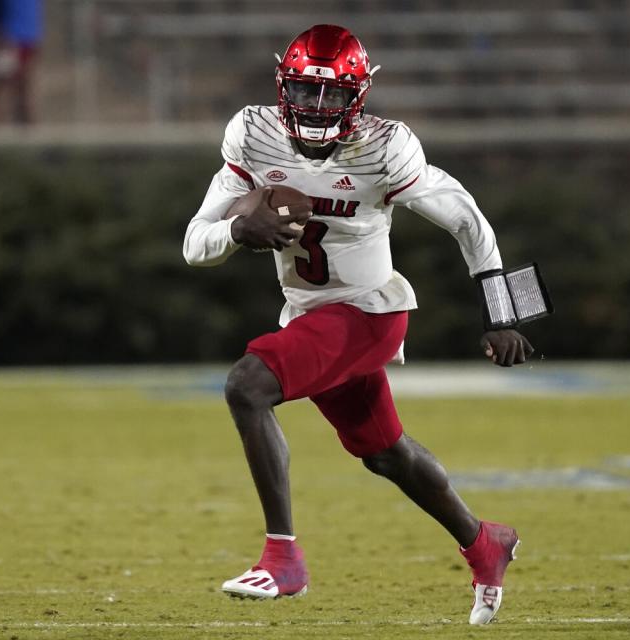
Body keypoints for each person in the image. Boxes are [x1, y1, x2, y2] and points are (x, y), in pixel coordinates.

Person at [183, 24, 534, 625]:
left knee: (248, 384)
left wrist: (505, 312)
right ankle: (484, 541)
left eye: (333, 95)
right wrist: (239, 231)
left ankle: (282, 558)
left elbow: (468, 219)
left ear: (360, 96)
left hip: (370, 310)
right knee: (386, 454)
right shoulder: (253, 136)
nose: (318, 107)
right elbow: (195, 244)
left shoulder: (384, 147)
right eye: (305, 91)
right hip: (311, 313)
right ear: (282, 87)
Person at [0, 0, 43, 124]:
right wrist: (0, 32)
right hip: (10, 36)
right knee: (2, 82)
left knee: (23, 84)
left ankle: (27, 125)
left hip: (29, 36)